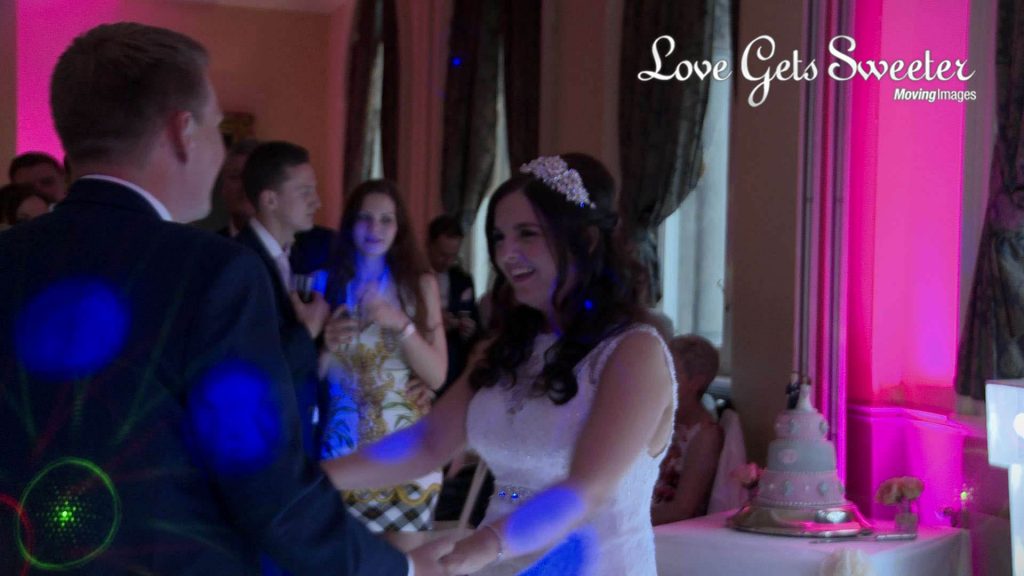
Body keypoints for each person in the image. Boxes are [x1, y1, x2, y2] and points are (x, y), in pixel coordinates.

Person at [0, 22, 447, 575]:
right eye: (218, 130)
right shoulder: (212, 272)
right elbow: (267, 487)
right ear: (183, 131)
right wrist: (401, 569)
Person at [321, 153, 677, 575]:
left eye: (527, 234)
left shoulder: (634, 352)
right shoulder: (504, 349)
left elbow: (587, 488)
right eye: (499, 237)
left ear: (585, 239)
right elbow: (427, 444)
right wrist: (311, 477)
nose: (507, 254)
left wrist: (484, 545)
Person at [319, 180, 448, 546]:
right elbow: (307, 380)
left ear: (399, 227)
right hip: (342, 451)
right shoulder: (326, 282)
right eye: (364, 218)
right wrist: (325, 346)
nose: (374, 229)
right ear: (350, 224)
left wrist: (401, 324)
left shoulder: (418, 284)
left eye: (386, 220)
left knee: (403, 568)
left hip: (406, 450)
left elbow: (436, 375)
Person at [236, 140, 329, 460]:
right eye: (305, 191)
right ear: (270, 200)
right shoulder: (240, 264)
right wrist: (307, 332)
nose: (316, 201)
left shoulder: (299, 257)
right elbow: (252, 364)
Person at [651, 335, 724, 525]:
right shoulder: (664, 420)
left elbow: (682, 510)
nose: (659, 380)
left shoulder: (705, 436)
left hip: (670, 533)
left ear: (696, 382)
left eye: (670, 373)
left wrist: (622, 521)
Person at [426, 214, 480, 392]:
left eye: (453, 256)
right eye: (442, 255)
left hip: (453, 363)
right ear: (429, 244)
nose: (448, 261)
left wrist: (469, 329)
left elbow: (474, 321)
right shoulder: (411, 274)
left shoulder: (462, 280)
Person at [216, 138, 260, 237]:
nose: (245, 185)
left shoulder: (298, 248)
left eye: (253, 177)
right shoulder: (208, 247)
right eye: (235, 177)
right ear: (223, 187)